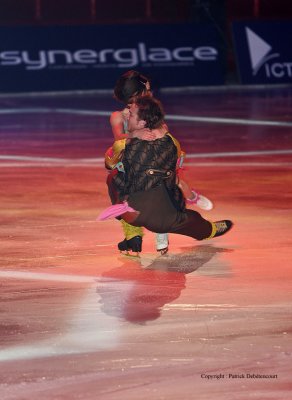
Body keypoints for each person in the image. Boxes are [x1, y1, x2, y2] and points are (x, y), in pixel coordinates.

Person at [105, 70, 213, 254]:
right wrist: (134, 133)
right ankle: (138, 234)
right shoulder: (119, 115)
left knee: (173, 184)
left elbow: (163, 129)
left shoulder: (148, 108)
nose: (149, 90)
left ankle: (192, 198)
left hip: (154, 158)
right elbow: (119, 139)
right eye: (145, 88)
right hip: (133, 161)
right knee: (127, 190)